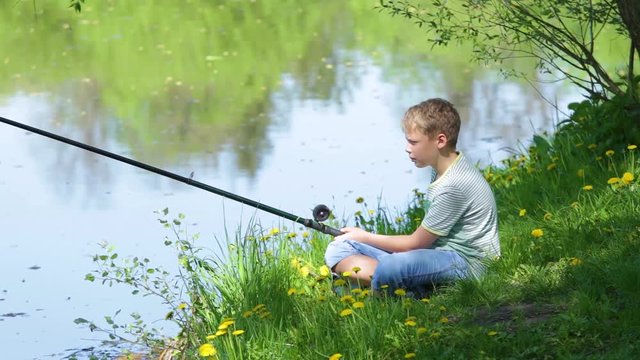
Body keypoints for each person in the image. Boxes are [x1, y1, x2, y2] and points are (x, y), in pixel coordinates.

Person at [324, 98, 500, 294]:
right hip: (437, 253)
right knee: (339, 247)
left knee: (392, 267)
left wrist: (365, 236)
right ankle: (406, 284)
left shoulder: (454, 185)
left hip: (467, 264)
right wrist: (361, 239)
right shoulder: (443, 167)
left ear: (440, 141)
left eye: (413, 142)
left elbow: (415, 243)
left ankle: (405, 289)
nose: (407, 148)